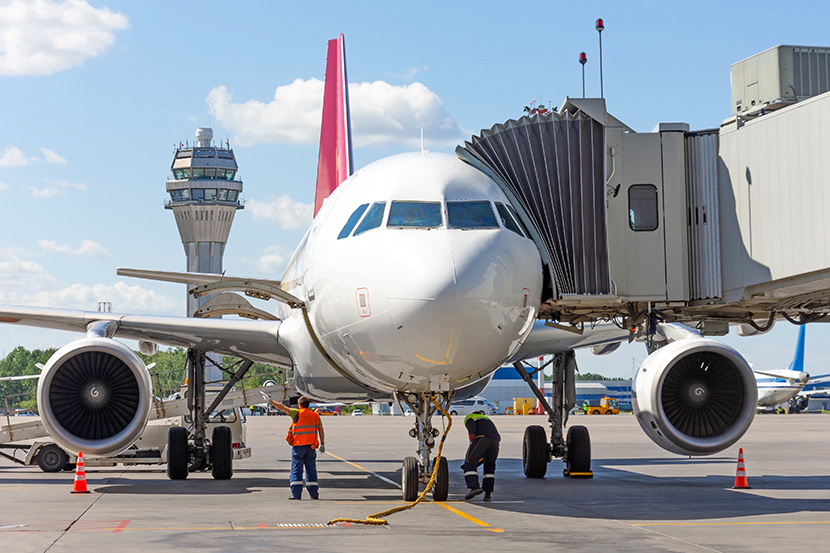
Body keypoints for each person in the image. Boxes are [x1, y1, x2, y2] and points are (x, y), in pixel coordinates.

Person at [263, 394, 325, 500]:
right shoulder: (315, 416)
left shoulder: (296, 413)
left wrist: (271, 401)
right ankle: (314, 494)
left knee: (296, 469)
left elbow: (282, 407)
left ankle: (296, 494)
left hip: (299, 446)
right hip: (311, 446)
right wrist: (322, 444)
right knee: (311, 470)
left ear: (299, 405)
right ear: (308, 405)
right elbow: (321, 430)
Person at [461, 410, 500, 501]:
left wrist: (471, 436)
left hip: (481, 438)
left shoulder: (470, 416)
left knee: (469, 463)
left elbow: (471, 425)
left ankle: (474, 487)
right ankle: (487, 494)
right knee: (489, 466)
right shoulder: (487, 419)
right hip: (495, 440)